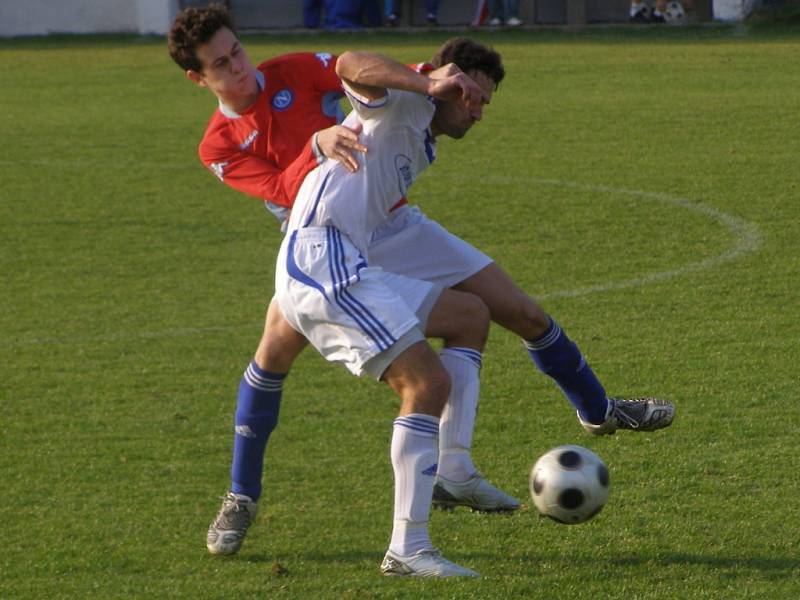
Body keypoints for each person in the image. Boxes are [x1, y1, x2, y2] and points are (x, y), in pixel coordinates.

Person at [168, 4, 674, 560]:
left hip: (391, 217)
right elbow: (285, 189)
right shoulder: (218, 145)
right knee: (272, 358)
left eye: (237, 50)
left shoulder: (293, 70)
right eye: (221, 64)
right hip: (324, 238)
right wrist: (317, 144)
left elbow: (358, 67)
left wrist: (430, 77)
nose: (239, 67)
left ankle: (594, 413)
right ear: (199, 78)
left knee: (514, 311)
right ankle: (241, 496)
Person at [273, 41, 502, 577]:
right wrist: (427, 82)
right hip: (321, 257)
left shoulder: (422, 138)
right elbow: (348, 63)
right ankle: (409, 549)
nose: (477, 110)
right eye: (471, 95)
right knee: (426, 383)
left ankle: (455, 469)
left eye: (485, 103)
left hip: (347, 258)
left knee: (469, 315)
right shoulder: (403, 103)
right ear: (447, 81)